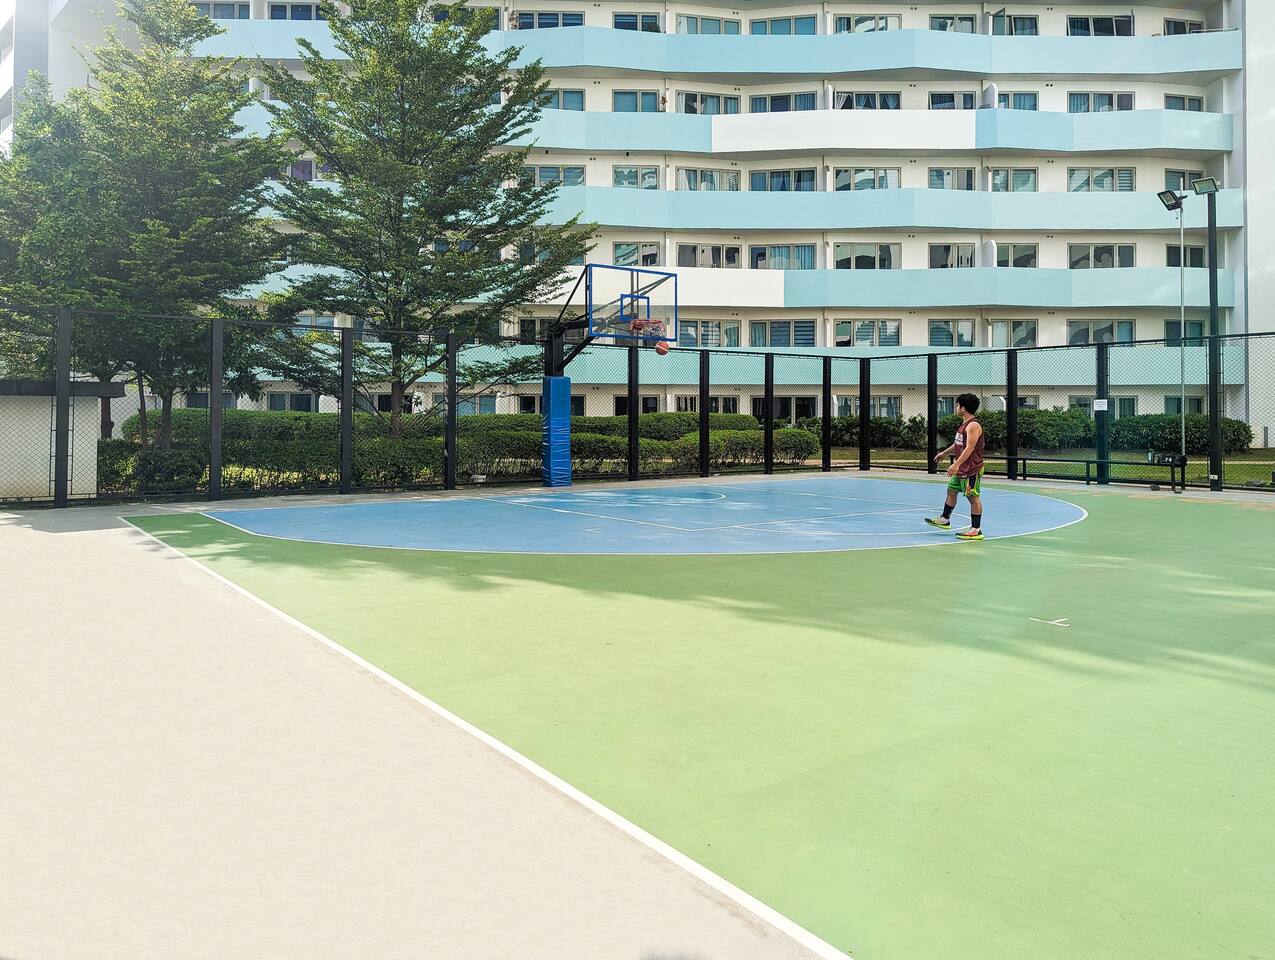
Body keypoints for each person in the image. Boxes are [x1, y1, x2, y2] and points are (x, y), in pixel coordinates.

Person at [926, 393, 986, 541]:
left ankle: (976, 530)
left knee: (973, 497)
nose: (956, 407)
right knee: (951, 490)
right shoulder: (964, 425)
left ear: (963, 408)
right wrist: (944, 453)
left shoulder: (973, 425)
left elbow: (970, 448)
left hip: (971, 469)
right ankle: (945, 519)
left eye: (957, 405)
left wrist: (956, 464)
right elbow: (958, 444)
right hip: (962, 468)